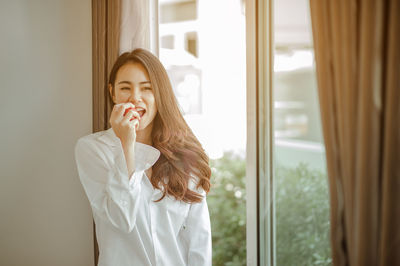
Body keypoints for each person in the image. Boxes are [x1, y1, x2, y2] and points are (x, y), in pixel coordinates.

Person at [74, 48, 212, 266]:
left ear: (160, 94)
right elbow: (121, 219)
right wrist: (126, 143)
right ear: (112, 93)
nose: (135, 98)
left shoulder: (186, 154)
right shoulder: (93, 149)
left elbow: (198, 239)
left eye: (147, 88)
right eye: (125, 88)